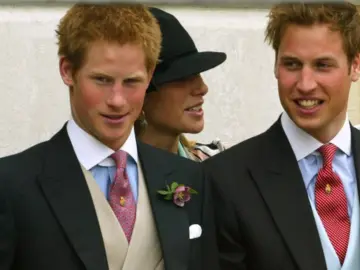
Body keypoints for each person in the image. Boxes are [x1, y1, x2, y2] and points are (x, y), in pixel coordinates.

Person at [204, 2, 360, 270]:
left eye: (323, 65)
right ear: (276, 66)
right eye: (292, 64)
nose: (305, 84)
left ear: (356, 66)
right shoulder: (226, 179)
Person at [0, 4, 218, 270]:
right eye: (102, 80)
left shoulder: (189, 176)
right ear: (68, 71)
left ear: (150, 77)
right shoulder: (12, 184)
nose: (117, 100)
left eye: (131, 82)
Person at [137, 7, 360, 189]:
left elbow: (326, 146)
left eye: (323, 65)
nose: (201, 88)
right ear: (141, 90)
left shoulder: (209, 161)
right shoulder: (116, 174)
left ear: (355, 66)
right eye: (180, 78)